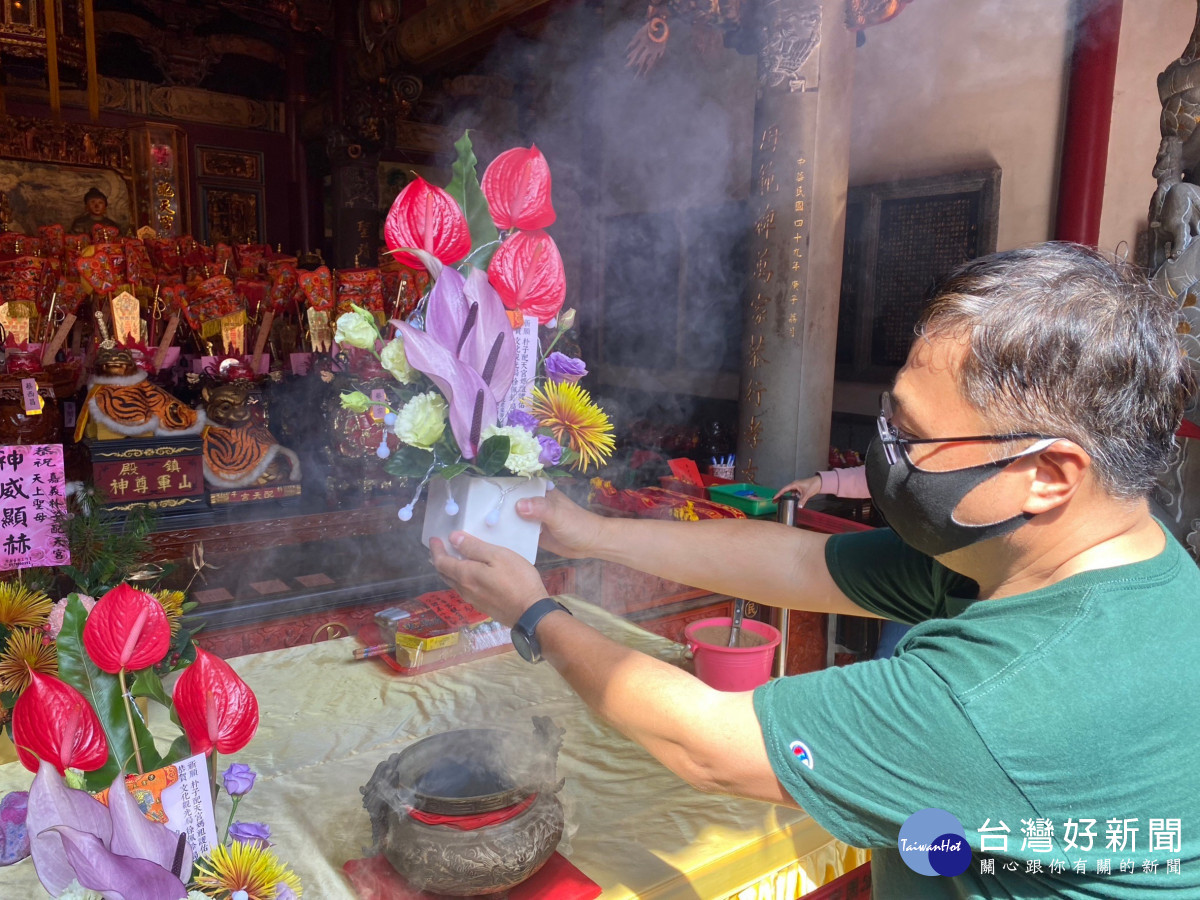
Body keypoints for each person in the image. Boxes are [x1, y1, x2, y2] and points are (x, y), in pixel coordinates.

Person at [430, 243, 1200, 897]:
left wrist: (534, 615)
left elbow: (711, 746)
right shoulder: (1088, 554)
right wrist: (589, 532)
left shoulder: (1005, 696)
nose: (887, 454)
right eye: (890, 421)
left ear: (1049, 472)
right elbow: (804, 561)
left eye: (916, 436)